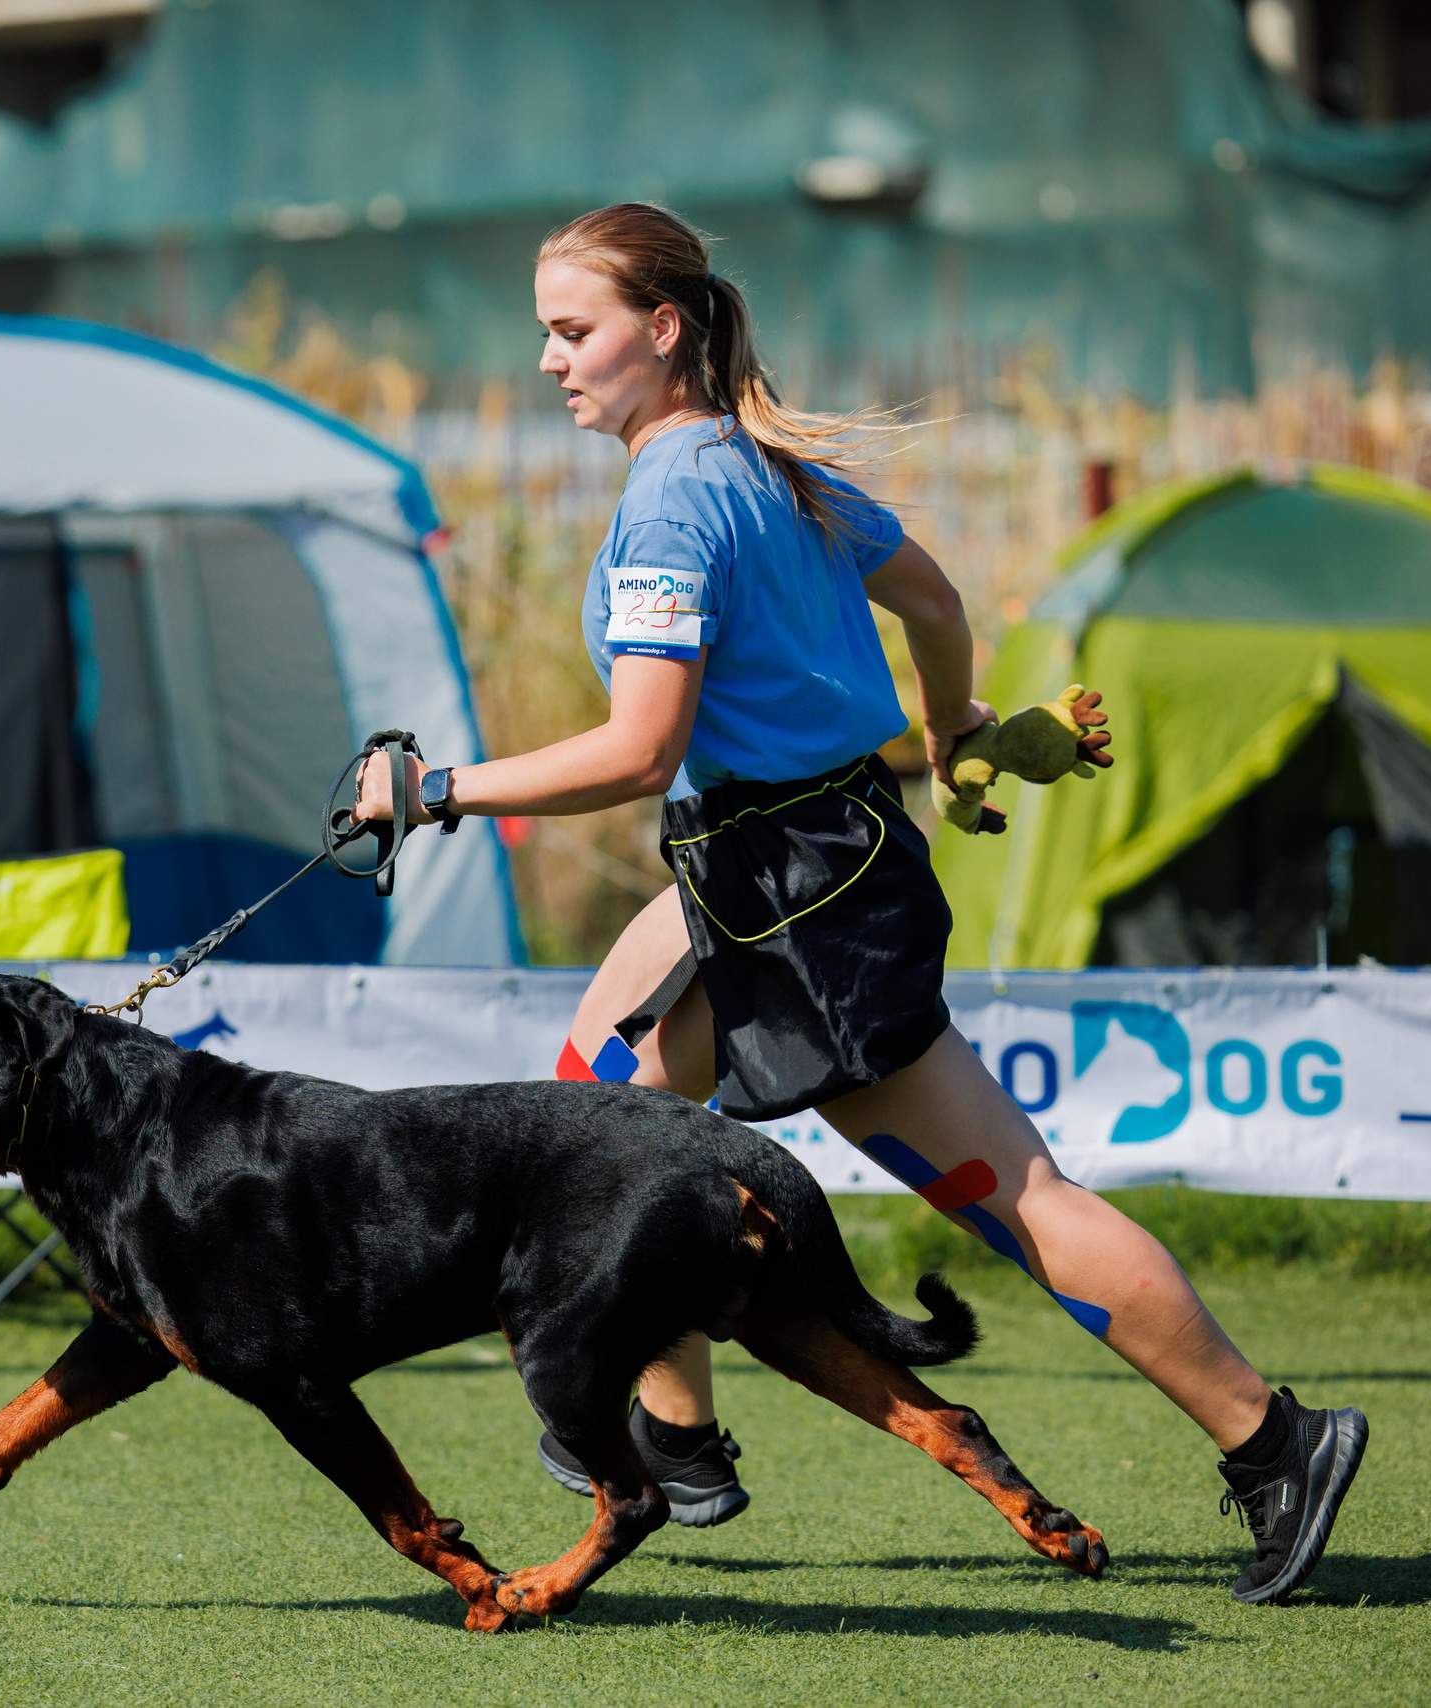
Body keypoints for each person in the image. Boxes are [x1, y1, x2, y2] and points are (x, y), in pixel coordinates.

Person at [357, 202, 1367, 1605]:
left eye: (572, 330)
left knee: (1019, 1202)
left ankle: (1275, 1442)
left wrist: (437, 790)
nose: (549, 360)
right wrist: (951, 729)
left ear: (663, 329)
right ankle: (676, 1437)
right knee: (604, 1113)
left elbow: (640, 750)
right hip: (774, 866)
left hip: (800, 899)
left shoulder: (674, 500)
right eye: (546, 332)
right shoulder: (770, 464)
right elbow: (938, 604)